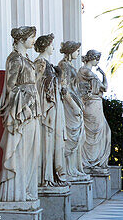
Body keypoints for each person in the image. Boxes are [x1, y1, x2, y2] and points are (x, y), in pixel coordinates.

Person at [0, 26, 41, 203]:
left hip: (32, 109)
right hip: (22, 111)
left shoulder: (26, 59)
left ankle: (25, 189)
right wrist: (25, 102)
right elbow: (10, 87)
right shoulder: (14, 59)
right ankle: (16, 192)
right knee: (21, 151)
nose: (33, 40)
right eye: (31, 37)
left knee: (31, 152)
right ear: (21, 39)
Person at [35, 34, 67, 187]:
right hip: (46, 108)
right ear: (46, 46)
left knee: (52, 141)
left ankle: (51, 174)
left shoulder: (49, 64)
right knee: (47, 141)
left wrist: (58, 78)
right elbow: (38, 86)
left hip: (53, 106)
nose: (53, 47)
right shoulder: (40, 63)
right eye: (52, 44)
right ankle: (45, 176)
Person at [78, 49, 112, 172]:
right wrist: (103, 76)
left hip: (96, 103)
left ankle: (94, 161)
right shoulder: (85, 71)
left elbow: (104, 88)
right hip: (92, 104)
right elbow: (104, 87)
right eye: (96, 58)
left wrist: (104, 75)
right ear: (91, 58)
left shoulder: (89, 72)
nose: (97, 61)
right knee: (94, 133)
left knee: (104, 132)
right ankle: (91, 162)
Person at [58, 41, 87, 180]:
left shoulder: (69, 65)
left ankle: (74, 168)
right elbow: (64, 88)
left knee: (78, 137)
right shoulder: (63, 65)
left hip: (74, 101)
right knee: (71, 137)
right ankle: (68, 170)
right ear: (70, 51)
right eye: (76, 50)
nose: (78, 53)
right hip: (69, 105)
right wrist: (73, 105)